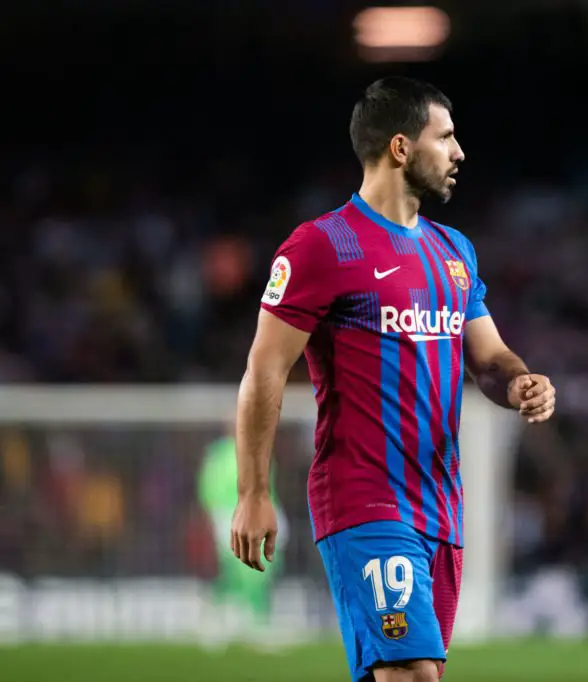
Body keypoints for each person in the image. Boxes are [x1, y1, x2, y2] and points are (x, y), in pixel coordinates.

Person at [230, 76, 556, 682]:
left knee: (405, 672)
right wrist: (252, 492)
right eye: (446, 137)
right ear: (401, 147)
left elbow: (489, 358)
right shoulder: (321, 246)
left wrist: (519, 383)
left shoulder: (453, 251)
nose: (459, 152)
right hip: (365, 498)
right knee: (411, 672)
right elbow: (264, 369)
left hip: (441, 506)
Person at [197, 424, 289, 646]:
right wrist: (216, 516)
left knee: (261, 570)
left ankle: (258, 621)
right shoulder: (219, 455)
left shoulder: (261, 452)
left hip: (258, 518)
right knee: (235, 571)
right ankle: (218, 616)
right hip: (230, 517)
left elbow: (268, 489)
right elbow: (208, 488)